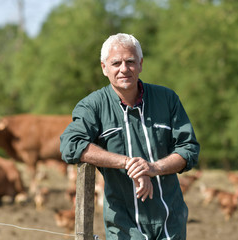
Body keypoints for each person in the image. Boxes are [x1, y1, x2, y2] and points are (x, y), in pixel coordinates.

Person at [60, 33, 200, 240]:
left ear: (141, 64)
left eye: (130, 62)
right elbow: (71, 145)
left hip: (171, 220)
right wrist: (127, 163)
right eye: (116, 63)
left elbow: (189, 149)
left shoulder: (167, 99)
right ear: (104, 67)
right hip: (123, 224)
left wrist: (153, 168)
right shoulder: (93, 106)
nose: (124, 69)